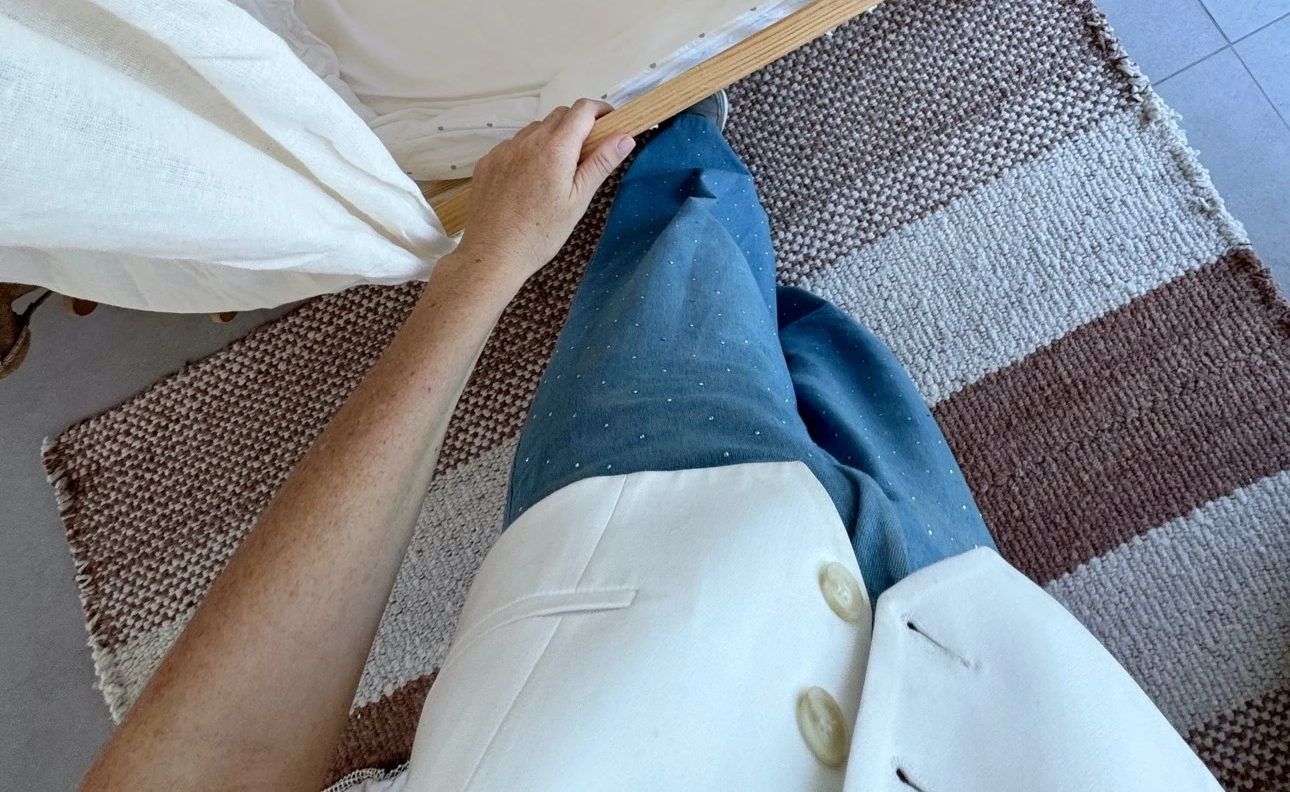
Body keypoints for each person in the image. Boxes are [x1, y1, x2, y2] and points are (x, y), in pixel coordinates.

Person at [80, 97, 1217, 792]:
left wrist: (487, 266)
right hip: (989, 676)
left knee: (693, 247)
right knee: (822, 354)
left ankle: (689, 134)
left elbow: (219, 762)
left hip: (647, 575)